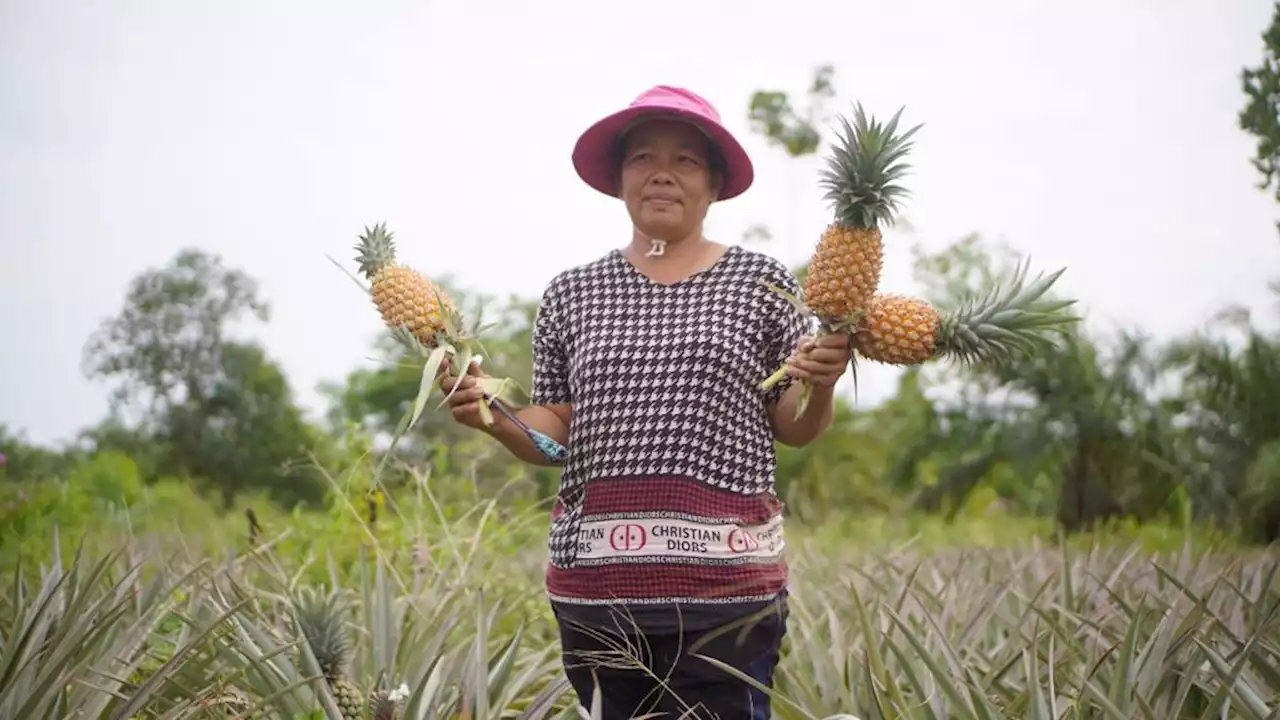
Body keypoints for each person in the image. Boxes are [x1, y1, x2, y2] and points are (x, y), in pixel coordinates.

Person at [437, 85, 851, 719]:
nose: (662, 172)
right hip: (598, 594)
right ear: (620, 181)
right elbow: (559, 428)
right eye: (643, 158)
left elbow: (794, 426)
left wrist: (819, 381)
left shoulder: (761, 284)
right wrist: (494, 417)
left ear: (713, 186)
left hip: (727, 598)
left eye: (686, 160)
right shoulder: (572, 294)